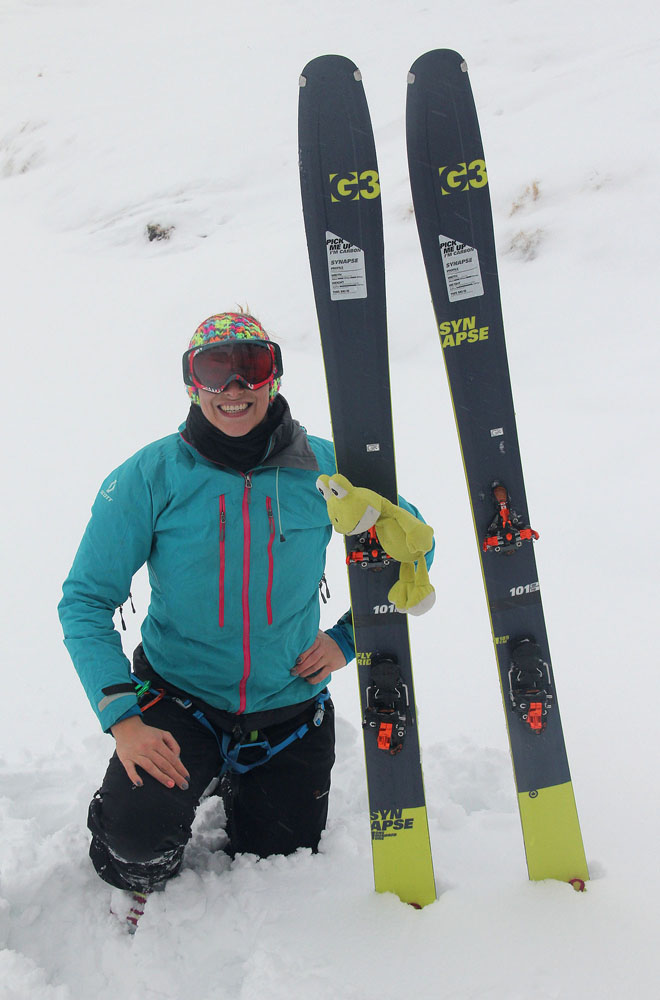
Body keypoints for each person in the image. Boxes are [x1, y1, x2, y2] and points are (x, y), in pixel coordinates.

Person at [58, 311, 431, 914]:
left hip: (287, 706)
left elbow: (413, 544)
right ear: (192, 383)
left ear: (273, 376)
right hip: (179, 698)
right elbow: (85, 599)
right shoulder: (151, 475)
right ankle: (164, 791)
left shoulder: (327, 469)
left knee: (280, 857)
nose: (233, 388)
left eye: (250, 367)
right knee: (135, 849)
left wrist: (347, 639)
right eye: (214, 370)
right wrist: (123, 719)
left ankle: (233, 779)